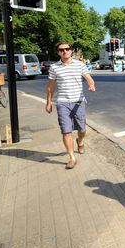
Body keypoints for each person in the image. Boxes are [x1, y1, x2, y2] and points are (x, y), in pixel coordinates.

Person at [45, 41, 96, 169]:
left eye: (67, 49)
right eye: (61, 50)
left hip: (78, 102)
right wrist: (48, 103)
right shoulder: (54, 67)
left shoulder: (79, 65)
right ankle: (72, 158)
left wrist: (91, 85)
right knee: (66, 131)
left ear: (71, 50)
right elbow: (50, 88)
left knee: (82, 129)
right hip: (62, 102)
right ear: (58, 53)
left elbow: (89, 78)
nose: (65, 51)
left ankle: (80, 140)